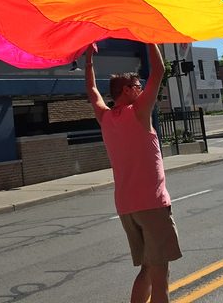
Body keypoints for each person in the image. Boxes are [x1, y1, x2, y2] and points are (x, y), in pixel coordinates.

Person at [85, 42, 181, 303]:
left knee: (148, 268)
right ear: (126, 90)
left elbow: (92, 91)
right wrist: (148, 36)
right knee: (161, 276)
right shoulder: (138, 113)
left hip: (127, 207)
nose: (141, 90)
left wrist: (89, 61)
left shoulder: (105, 117)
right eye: (138, 86)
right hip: (151, 204)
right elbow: (159, 70)